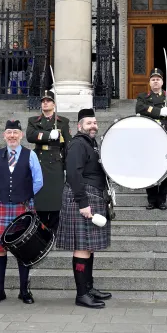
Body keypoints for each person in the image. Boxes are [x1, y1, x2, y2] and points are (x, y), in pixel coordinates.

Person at [55, 108, 112, 309]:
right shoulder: (78, 144)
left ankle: (89, 288)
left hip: (93, 194)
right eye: (89, 123)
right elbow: (73, 174)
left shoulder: (91, 143)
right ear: (79, 126)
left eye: (95, 122)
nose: (93, 126)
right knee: (81, 246)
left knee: (88, 246)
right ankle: (82, 294)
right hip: (83, 197)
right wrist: (83, 203)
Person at [0, 120, 44, 305]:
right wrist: (3, 193)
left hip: (23, 207)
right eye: (9, 132)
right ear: (4, 135)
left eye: (15, 132)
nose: (12, 135)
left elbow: (38, 180)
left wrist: (25, 195)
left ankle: (24, 291)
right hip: (1, 206)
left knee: (24, 250)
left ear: (21, 135)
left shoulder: (30, 155)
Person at [135, 67, 167, 210]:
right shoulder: (143, 97)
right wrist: (158, 111)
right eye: (153, 79)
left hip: (166, 136)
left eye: (158, 79)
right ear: (149, 83)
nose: (155, 82)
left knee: (165, 168)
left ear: (162, 82)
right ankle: (151, 200)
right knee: (148, 168)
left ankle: (162, 200)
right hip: (149, 137)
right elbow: (139, 109)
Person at [26, 90, 72, 232]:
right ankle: (40, 230)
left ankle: (53, 231)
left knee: (55, 198)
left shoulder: (62, 122)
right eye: (43, 101)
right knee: (40, 198)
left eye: (48, 101)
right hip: (39, 161)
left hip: (56, 162)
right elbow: (30, 135)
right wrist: (47, 135)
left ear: (54, 104)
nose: (45, 103)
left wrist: (66, 165)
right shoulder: (34, 120)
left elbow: (68, 145)